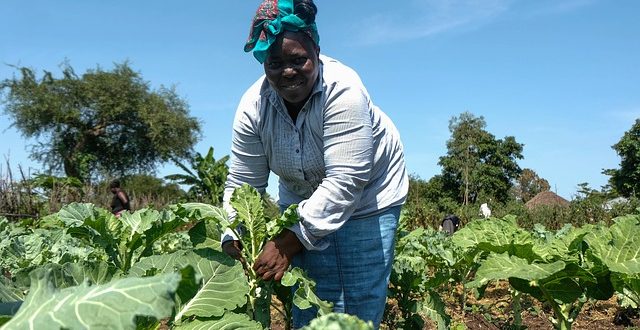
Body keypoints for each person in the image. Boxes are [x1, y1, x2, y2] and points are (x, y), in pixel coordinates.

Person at [221, 0, 409, 328]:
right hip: (302, 199)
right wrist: (233, 233)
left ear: (316, 51)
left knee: (358, 301)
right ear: (263, 62)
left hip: (369, 198)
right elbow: (243, 182)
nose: (287, 71)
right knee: (314, 300)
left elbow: (346, 180)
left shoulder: (343, 90)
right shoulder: (253, 107)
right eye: (275, 62)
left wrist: (288, 242)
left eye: (298, 59)